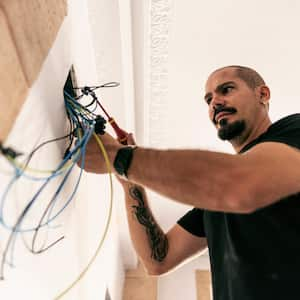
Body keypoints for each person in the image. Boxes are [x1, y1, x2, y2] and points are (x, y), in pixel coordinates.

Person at [81, 66, 300, 300]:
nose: (215, 103)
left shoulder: (292, 130)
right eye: (208, 100)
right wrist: (129, 181)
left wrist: (121, 158)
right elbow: (158, 260)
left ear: (263, 94)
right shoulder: (216, 200)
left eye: (226, 89)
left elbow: (242, 183)